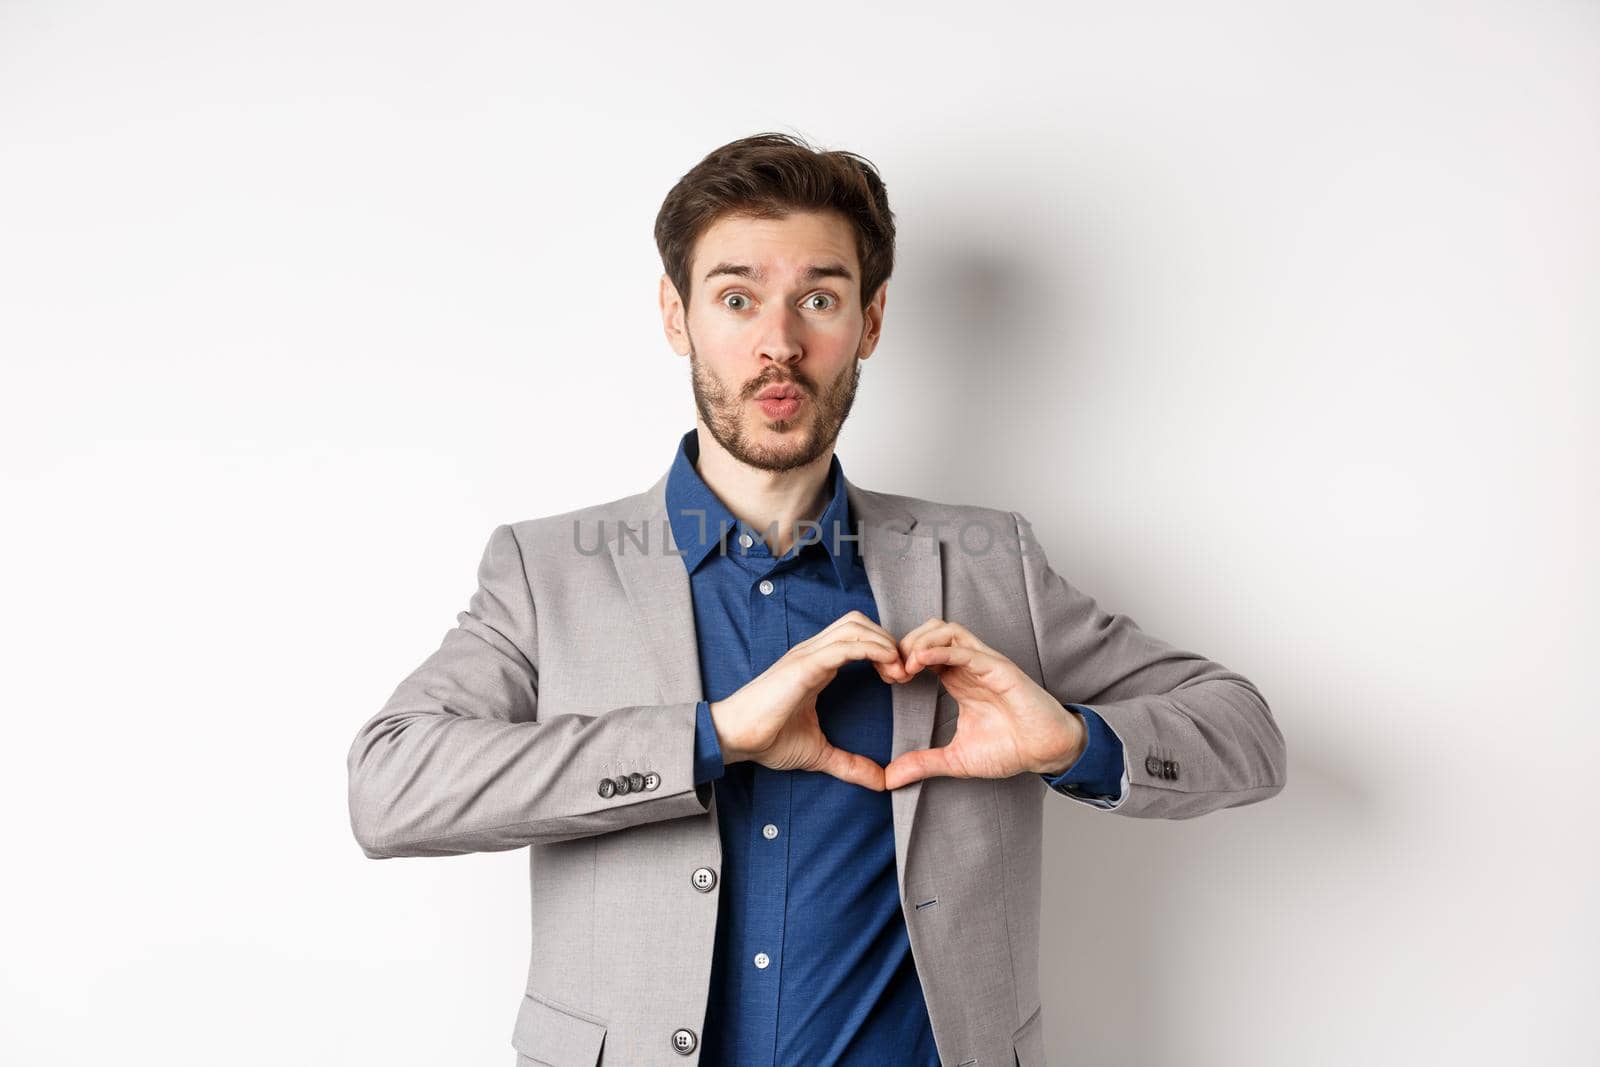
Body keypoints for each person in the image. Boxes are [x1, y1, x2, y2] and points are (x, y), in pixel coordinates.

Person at [345, 132, 1287, 1067]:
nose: (779, 343)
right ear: (677, 316)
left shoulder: (988, 562)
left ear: (871, 322)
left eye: (820, 299)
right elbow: (390, 788)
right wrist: (708, 736)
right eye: (737, 297)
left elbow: (1244, 732)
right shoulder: (548, 571)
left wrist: (1076, 740)